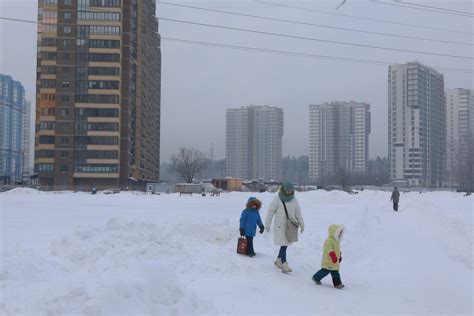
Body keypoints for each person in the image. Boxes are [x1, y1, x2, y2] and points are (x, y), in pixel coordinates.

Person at [265, 181, 304, 273]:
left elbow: (298, 212)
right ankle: (284, 263)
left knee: (285, 243)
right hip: (280, 225)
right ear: (284, 189)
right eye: (288, 190)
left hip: (290, 225)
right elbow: (271, 212)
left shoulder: (294, 199)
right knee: (284, 244)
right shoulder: (277, 198)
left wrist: (302, 223)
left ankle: (279, 260)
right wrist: (267, 224)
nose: (290, 191)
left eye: (291, 190)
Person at [312, 224, 345, 289]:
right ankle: (316, 278)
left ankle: (338, 284)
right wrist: (332, 255)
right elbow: (328, 249)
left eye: (341, 232)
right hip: (329, 260)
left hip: (335, 261)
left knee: (335, 272)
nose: (341, 234)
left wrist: (339, 256)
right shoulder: (329, 240)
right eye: (339, 232)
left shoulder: (337, 241)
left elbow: (337, 250)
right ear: (334, 232)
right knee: (325, 271)